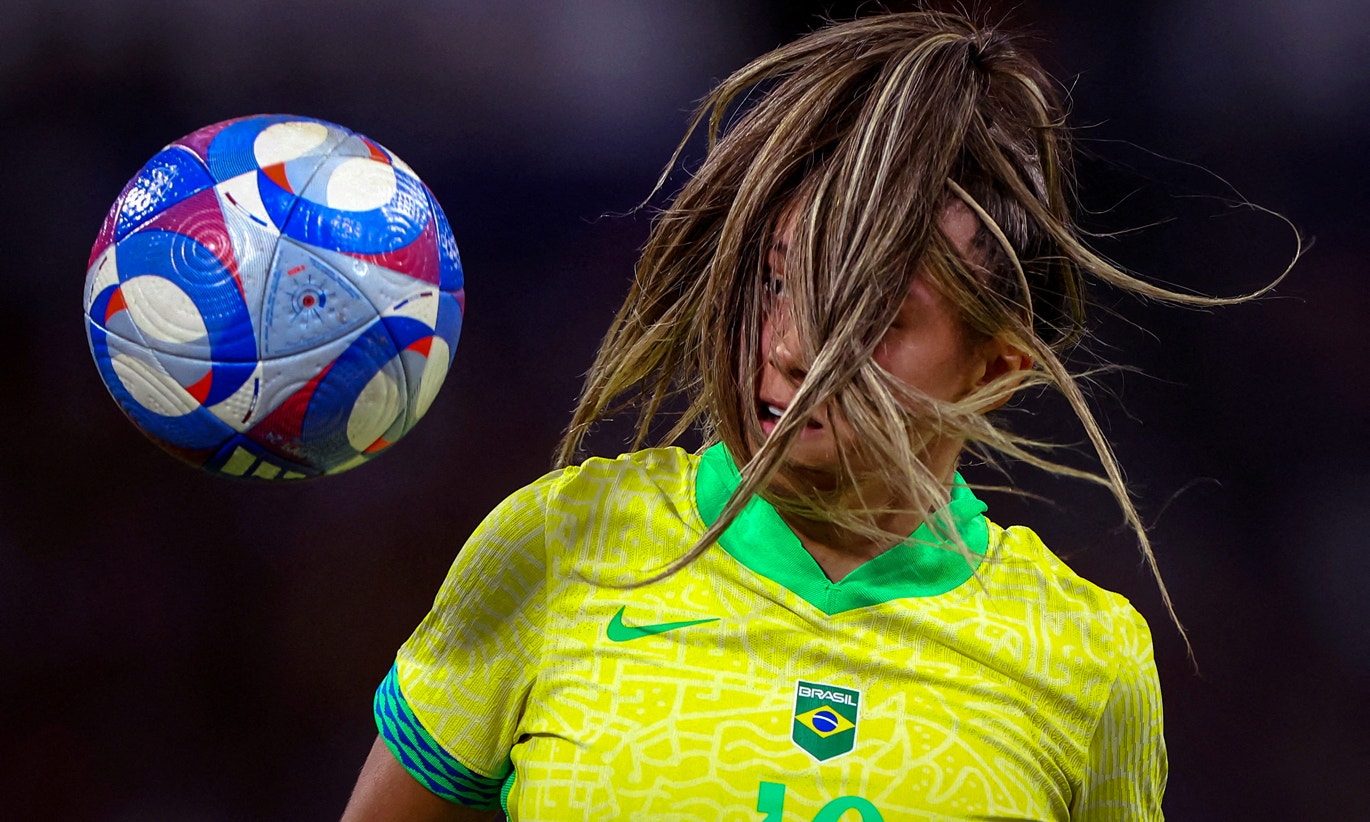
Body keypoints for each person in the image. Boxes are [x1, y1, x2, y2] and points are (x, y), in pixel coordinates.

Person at [342, 9, 1287, 821]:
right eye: (777, 279)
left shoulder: (1088, 663)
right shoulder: (557, 548)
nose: (790, 345)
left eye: (873, 316)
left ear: (999, 362)